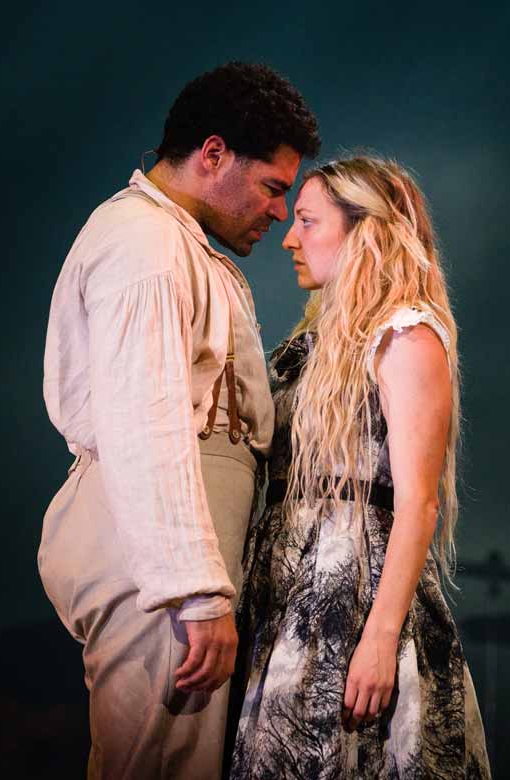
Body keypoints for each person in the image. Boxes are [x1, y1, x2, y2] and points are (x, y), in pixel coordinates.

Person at [39, 62, 320, 779]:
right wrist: (193, 591)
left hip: (171, 550)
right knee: (157, 768)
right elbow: (146, 420)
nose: (281, 212)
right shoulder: (146, 244)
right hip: (154, 554)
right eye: (273, 188)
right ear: (214, 154)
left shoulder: (183, 245)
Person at [229, 157, 491, 778]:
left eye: (309, 221)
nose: (290, 238)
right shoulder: (312, 345)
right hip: (287, 586)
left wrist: (378, 638)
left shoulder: (405, 337)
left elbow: (418, 504)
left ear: (362, 232)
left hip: (355, 591)